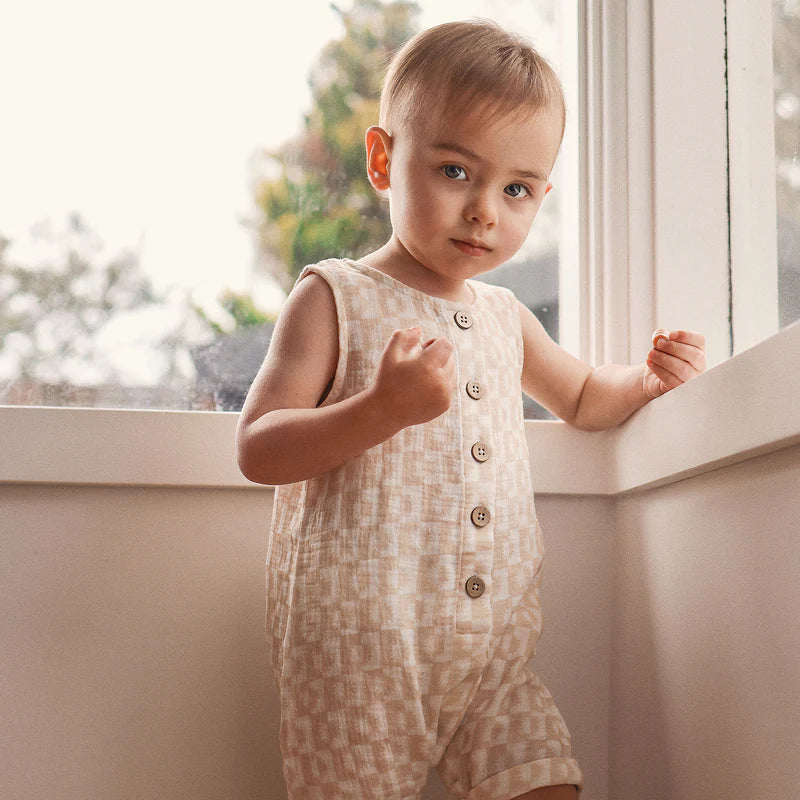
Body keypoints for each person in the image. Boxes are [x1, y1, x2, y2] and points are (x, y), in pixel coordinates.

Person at [236, 19, 706, 800]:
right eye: (457, 171)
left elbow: (584, 397)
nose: (486, 210)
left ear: (541, 196)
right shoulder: (335, 296)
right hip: (359, 652)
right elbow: (259, 447)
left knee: (545, 782)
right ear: (385, 160)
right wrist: (380, 410)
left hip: (492, 653)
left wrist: (650, 381)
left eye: (516, 189)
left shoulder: (505, 316)